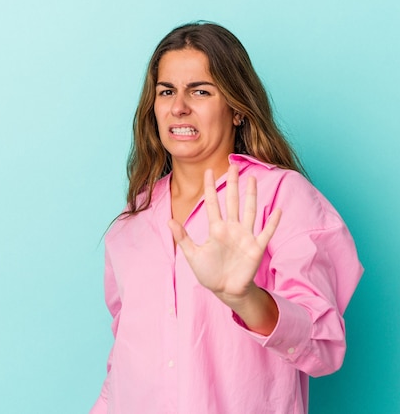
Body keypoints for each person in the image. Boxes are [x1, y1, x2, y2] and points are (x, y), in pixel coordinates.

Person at [90, 21, 363, 414]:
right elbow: (124, 365)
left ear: (236, 109)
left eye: (200, 91)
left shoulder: (283, 196)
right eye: (167, 91)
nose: (179, 106)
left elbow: (324, 347)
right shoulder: (130, 222)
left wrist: (245, 297)